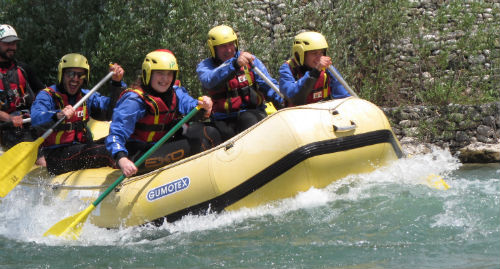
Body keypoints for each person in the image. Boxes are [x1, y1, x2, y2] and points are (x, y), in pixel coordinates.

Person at [106, 49, 221, 177]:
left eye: (169, 74)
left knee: (209, 131)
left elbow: (191, 105)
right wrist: (121, 159)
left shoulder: (175, 92)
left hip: (161, 145)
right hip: (137, 155)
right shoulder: (134, 100)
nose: (165, 79)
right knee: (201, 142)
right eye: (160, 73)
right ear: (148, 73)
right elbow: (116, 133)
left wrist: (204, 105)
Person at [30, 53, 125, 175]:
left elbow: (111, 112)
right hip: (56, 156)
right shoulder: (48, 95)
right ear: (62, 74)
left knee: (117, 143)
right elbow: (36, 117)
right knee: (106, 151)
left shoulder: (86, 96)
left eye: (80, 75)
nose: (75, 79)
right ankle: (125, 176)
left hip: (81, 148)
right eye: (70, 74)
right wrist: (57, 115)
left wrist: (117, 84)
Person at [197, 25, 283, 141]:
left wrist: (283, 100)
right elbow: (209, 81)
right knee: (213, 133)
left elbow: (268, 85)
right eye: (223, 46)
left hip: (252, 113)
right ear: (213, 49)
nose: (228, 50)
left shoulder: (249, 60)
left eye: (231, 44)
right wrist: (234, 65)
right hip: (223, 119)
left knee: (248, 119)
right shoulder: (205, 66)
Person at [0, 24, 45, 149]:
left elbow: (44, 92)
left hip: (30, 120)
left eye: (14, 43)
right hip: (7, 127)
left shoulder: (23, 68)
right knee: (39, 157)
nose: (12, 47)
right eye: (7, 43)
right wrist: (10, 118)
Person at [279, 31, 350, 106]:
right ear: (301, 54)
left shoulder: (327, 69)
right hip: (297, 114)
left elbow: (343, 97)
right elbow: (294, 97)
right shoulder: (288, 69)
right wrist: (314, 72)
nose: (319, 58)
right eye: (314, 53)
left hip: (322, 112)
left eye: (321, 53)